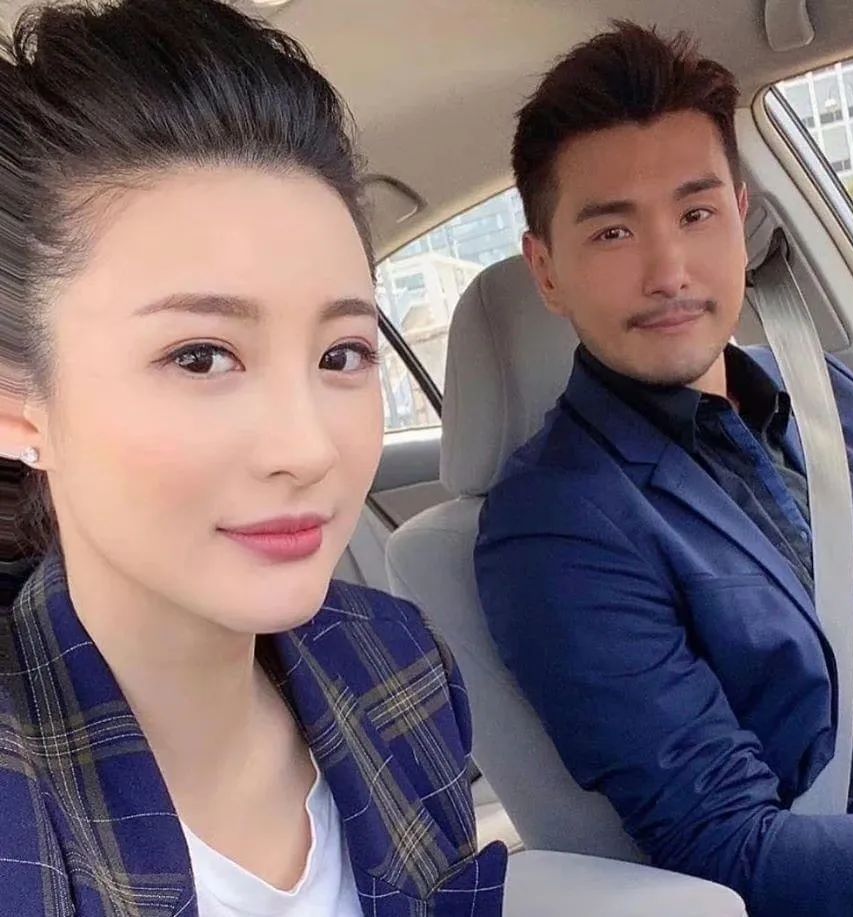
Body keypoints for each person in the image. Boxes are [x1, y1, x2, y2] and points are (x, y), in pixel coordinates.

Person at [475, 21, 853, 917]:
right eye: (612, 232)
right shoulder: (553, 526)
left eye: (696, 214)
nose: (669, 269)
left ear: (739, 217)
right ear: (548, 271)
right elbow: (734, 847)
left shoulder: (826, 397)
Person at [0, 2, 509, 914]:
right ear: (16, 406)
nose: (307, 448)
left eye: (341, 355)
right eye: (201, 357)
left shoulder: (401, 666)